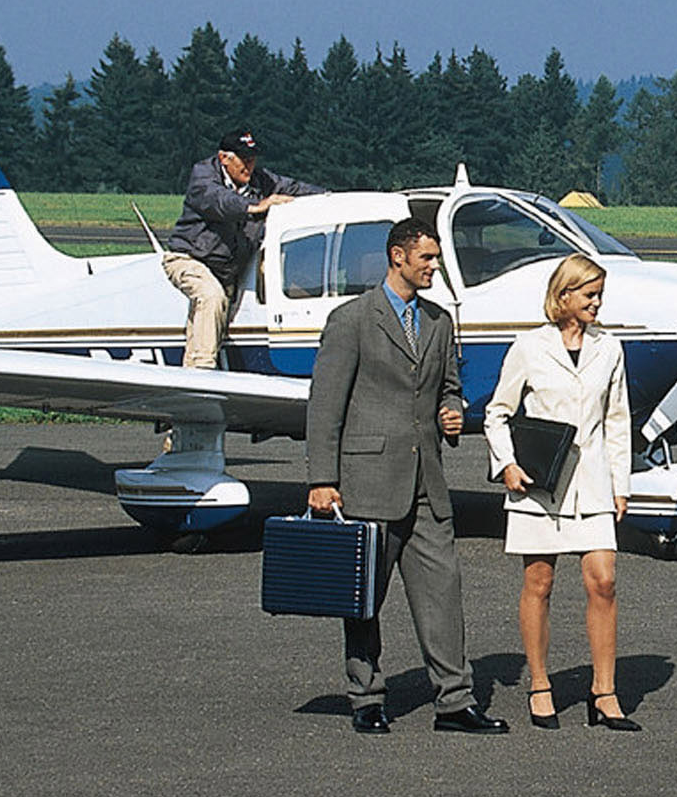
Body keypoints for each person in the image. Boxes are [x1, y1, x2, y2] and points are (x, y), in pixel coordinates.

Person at [307, 217, 507, 736]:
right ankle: (366, 697)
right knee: (364, 598)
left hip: (428, 483)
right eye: (427, 258)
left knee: (444, 592)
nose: (435, 267)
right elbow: (324, 406)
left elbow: (448, 385)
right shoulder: (351, 319)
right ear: (398, 256)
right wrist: (322, 479)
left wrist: (453, 410)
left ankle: (455, 702)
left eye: (436, 258)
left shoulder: (439, 321)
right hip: (368, 479)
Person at [485, 254, 638, 731]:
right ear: (564, 296)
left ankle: (605, 692)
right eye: (589, 294)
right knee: (539, 582)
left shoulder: (610, 349)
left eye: (600, 294)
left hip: (592, 482)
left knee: (604, 581)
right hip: (538, 484)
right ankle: (540, 684)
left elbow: (618, 419)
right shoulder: (528, 347)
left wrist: (621, 484)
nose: (597, 302)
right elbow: (497, 412)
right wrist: (506, 464)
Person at [163, 128, 323, 369]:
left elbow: (295, 189)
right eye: (243, 159)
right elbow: (220, 201)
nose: (249, 165)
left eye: (252, 158)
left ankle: (192, 371)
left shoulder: (260, 180)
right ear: (224, 158)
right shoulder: (203, 176)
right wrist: (257, 206)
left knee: (211, 313)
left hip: (226, 271)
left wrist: (335, 198)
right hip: (188, 258)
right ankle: (200, 371)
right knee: (210, 296)